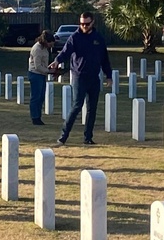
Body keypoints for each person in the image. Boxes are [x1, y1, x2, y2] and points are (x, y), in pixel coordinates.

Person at [48, 11, 113, 145]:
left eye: (86, 24)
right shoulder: (75, 37)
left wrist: (109, 75)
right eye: (82, 23)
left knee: (92, 108)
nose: (83, 26)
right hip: (79, 77)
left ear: (92, 22)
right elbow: (65, 52)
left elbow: (104, 58)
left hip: (94, 77)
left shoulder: (98, 38)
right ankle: (63, 137)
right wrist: (56, 61)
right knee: (77, 105)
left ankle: (88, 138)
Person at [28, 30, 55, 125]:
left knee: (41, 97)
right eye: (50, 43)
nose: (51, 46)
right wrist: (49, 71)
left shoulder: (44, 48)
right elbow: (37, 66)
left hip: (41, 74)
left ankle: (38, 116)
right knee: (36, 97)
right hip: (36, 74)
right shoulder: (37, 49)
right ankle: (35, 117)